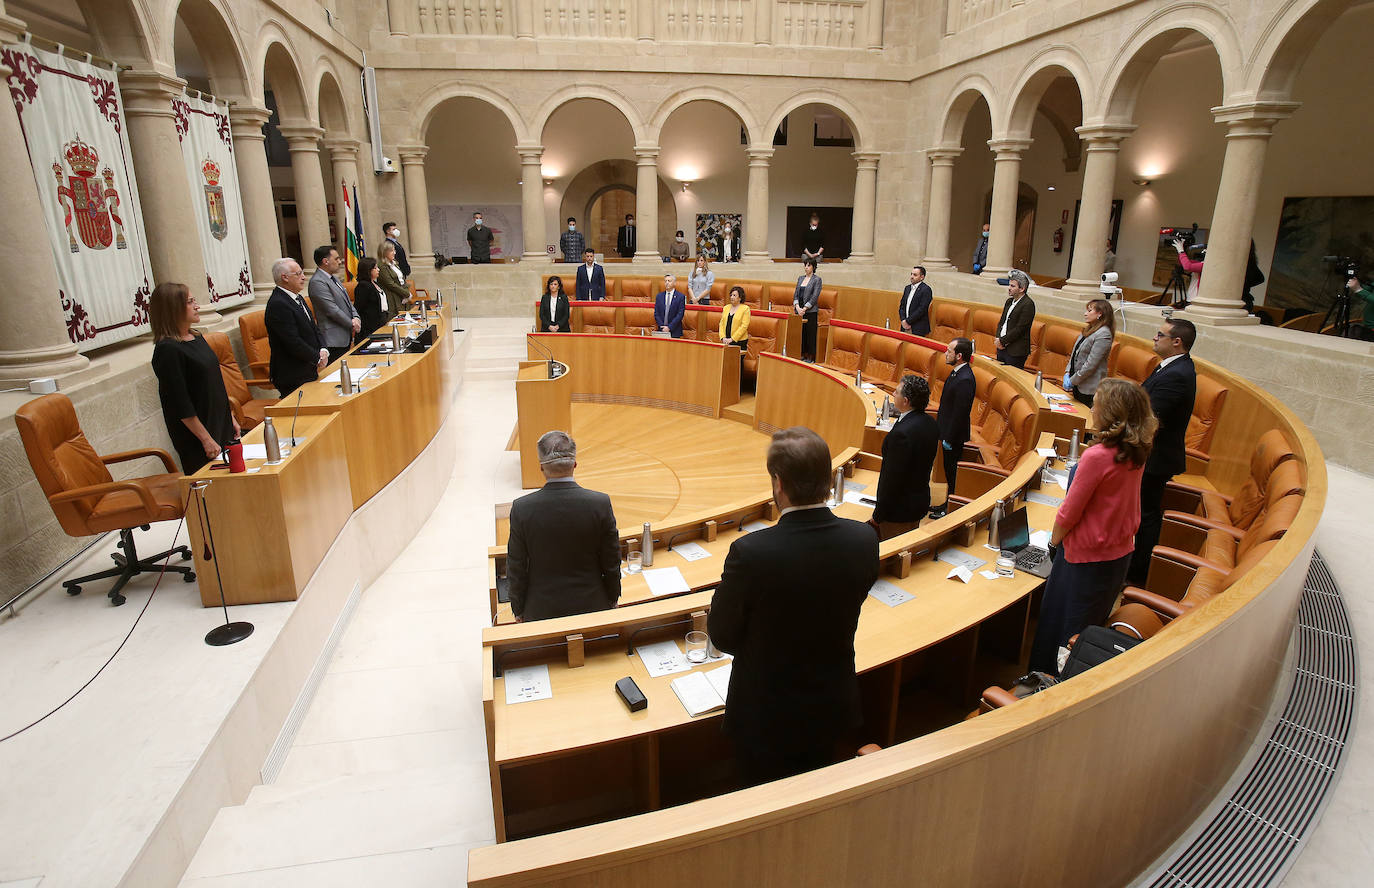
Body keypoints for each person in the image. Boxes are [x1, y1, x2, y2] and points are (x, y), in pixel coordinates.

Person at [708, 426, 879, 785]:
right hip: (830, 704)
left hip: (765, 714)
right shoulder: (863, 539)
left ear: (778, 484)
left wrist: (762, 642)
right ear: (828, 480)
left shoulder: (751, 553)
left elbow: (722, 636)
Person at [1027, 378, 1158, 674]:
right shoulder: (1136, 450)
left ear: (1111, 413)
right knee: (1088, 624)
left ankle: (1045, 683)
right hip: (1118, 554)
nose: (1093, 409)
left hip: (1083, 557)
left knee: (1060, 626)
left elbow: (1068, 514)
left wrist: (1053, 543)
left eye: (1097, 404)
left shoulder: (1097, 456)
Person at [506, 430, 620, 622]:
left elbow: (516, 566)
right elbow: (611, 561)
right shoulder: (599, 503)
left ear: (541, 467)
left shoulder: (521, 509)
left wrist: (518, 609)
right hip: (594, 608)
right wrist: (613, 598)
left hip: (540, 612)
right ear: (575, 465)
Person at [1127, 318, 1198, 586]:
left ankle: (1138, 575)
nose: (1155, 338)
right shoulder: (1170, 367)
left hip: (1154, 458)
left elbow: (1150, 417)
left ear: (1176, 342)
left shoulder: (1178, 375)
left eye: (1160, 335)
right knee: (1143, 511)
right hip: (1150, 453)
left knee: (1145, 515)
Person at [149, 282, 238, 474]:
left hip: (218, 419)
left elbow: (216, 383)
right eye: (190, 302)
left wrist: (230, 417)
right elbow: (179, 402)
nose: (197, 306)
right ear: (173, 309)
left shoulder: (196, 336)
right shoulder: (168, 350)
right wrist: (205, 439)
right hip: (198, 433)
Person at [870, 375, 938, 540]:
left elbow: (892, 479)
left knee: (893, 557)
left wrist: (878, 515)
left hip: (897, 511)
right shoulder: (930, 423)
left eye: (897, 392)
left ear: (906, 401)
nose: (893, 394)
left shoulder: (902, 434)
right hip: (918, 503)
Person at [264, 257, 328, 397]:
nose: (304, 277)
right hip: (293, 374)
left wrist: (323, 349)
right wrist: (316, 357)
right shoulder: (278, 304)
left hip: (308, 368)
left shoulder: (297, 297)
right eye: (298, 274)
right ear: (284, 277)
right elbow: (292, 341)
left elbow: (314, 328)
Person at [930, 337, 974, 518]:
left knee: (952, 473)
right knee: (948, 471)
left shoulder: (965, 379)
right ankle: (946, 503)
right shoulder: (957, 372)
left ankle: (950, 508)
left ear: (960, 356)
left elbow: (960, 412)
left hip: (954, 436)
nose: (945, 354)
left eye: (949, 351)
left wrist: (949, 436)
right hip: (947, 432)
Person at [308, 245, 361, 363]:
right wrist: (351, 323)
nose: (340, 261)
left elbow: (348, 302)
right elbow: (331, 309)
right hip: (333, 339)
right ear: (325, 261)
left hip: (345, 335)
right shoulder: (317, 281)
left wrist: (356, 317)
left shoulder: (334, 279)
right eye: (336, 259)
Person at [1063, 298, 1115, 408]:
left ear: (1100, 314)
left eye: (1090, 311)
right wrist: (1067, 372)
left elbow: (1091, 365)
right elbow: (1074, 353)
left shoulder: (1104, 334)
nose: (1085, 314)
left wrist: (1073, 380)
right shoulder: (1089, 329)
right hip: (1077, 383)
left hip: (1089, 388)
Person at [994, 269, 1035, 369]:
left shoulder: (1028, 304)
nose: (1009, 288)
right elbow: (1002, 322)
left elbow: (1020, 329)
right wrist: (998, 339)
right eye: (1009, 285)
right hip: (1001, 347)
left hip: (1015, 351)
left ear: (1022, 289)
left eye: (1012, 286)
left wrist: (1002, 341)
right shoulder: (1009, 301)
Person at [352, 256, 390, 337]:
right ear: (368, 270)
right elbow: (358, 308)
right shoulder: (363, 286)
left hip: (382, 322)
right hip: (369, 328)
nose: (378, 270)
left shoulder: (374, 283)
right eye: (375, 268)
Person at [793, 257, 822, 362]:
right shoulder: (800, 278)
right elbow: (796, 294)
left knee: (810, 334)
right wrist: (797, 307)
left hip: (810, 312)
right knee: (801, 334)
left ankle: (810, 356)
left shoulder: (817, 280)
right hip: (799, 311)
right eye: (805, 265)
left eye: (808, 265)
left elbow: (815, 296)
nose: (806, 267)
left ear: (813, 267)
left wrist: (804, 308)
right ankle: (802, 354)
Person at [377, 241, 411, 316]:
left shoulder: (394, 263)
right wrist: (406, 293)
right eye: (391, 251)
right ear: (384, 252)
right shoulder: (382, 266)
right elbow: (390, 284)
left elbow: (402, 279)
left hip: (402, 295)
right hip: (393, 297)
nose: (394, 253)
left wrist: (406, 291)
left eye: (394, 250)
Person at [719, 285, 751, 360]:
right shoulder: (726, 307)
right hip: (726, 341)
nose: (732, 297)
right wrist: (723, 337)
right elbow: (721, 324)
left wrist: (732, 339)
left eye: (734, 295)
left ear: (740, 298)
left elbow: (744, 326)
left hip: (739, 342)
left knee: (737, 364)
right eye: (731, 295)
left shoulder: (745, 309)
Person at [899, 265, 932, 336]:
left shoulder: (926, 289)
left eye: (915, 275)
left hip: (918, 327)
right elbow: (902, 306)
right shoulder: (907, 288)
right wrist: (903, 320)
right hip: (904, 326)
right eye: (911, 274)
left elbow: (922, 309)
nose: (911, 276)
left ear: (922, 277)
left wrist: (908, 321)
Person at [1173, 236, 1203, 306]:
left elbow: (1187, 266)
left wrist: (1181, 251)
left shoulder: (1204, 265)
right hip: (1191, 299)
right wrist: (1183, 248)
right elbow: (1183, 263)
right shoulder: (1200, 263)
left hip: (1195, 300)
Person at [654, 274, 685, 338]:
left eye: (669, 281)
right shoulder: (659, 296)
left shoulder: (680, 297)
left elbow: (680, 314)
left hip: (675, 331)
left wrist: (669, 327)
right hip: (661, 330)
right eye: (665, 281)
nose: (667, 283)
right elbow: (656, 313)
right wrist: (662, 326)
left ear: (674, 283)